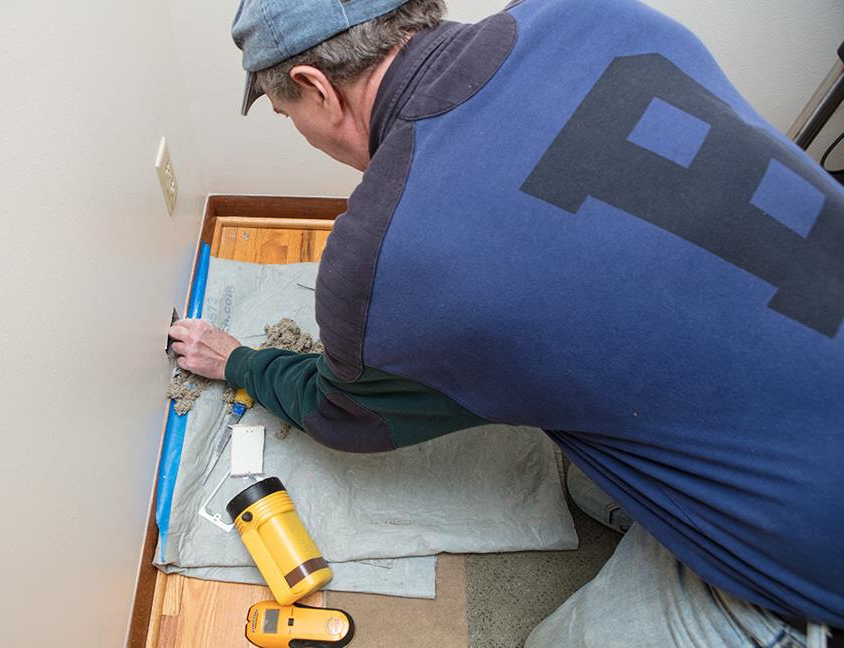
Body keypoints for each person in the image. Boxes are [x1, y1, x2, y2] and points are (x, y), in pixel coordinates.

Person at [167, 0, 844, 645]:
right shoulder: (598, 15)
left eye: (287, 111)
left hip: (817, 564)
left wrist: (241, 361)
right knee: (584, 477)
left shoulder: (389, 256)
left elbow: (343, 415)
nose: (300, 128)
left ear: (317, 88)